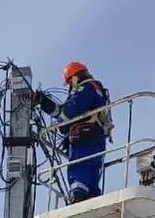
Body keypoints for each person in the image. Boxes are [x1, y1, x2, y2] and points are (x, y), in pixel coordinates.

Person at [34, 62, 112, 204]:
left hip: (83, 137)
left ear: (75, 78)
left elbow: (68, 113)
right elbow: (63, 112)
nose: (70, 86)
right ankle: (92, 197)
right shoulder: (96, 88)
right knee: (92, 171)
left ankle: (78, 196)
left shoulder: (85, 88)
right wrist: (44, 103)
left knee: (79, 167)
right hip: (96, 138)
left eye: (70, 82)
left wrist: (62, 126)